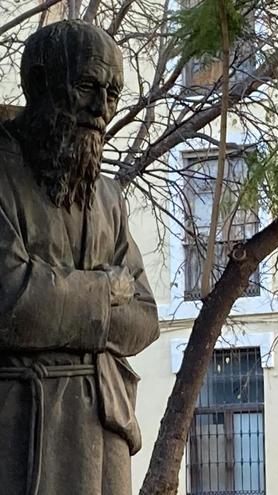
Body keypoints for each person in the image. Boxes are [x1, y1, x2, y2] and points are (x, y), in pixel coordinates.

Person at [0, 21, 159, 494]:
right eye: (88, 85)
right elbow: (13, 302)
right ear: (39, 83)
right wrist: (106, 290)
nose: (102, 109)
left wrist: (57, 294)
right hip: (22, 430)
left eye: (113, 94)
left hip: (103, 432)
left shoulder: (108, 197)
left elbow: (144, 319)